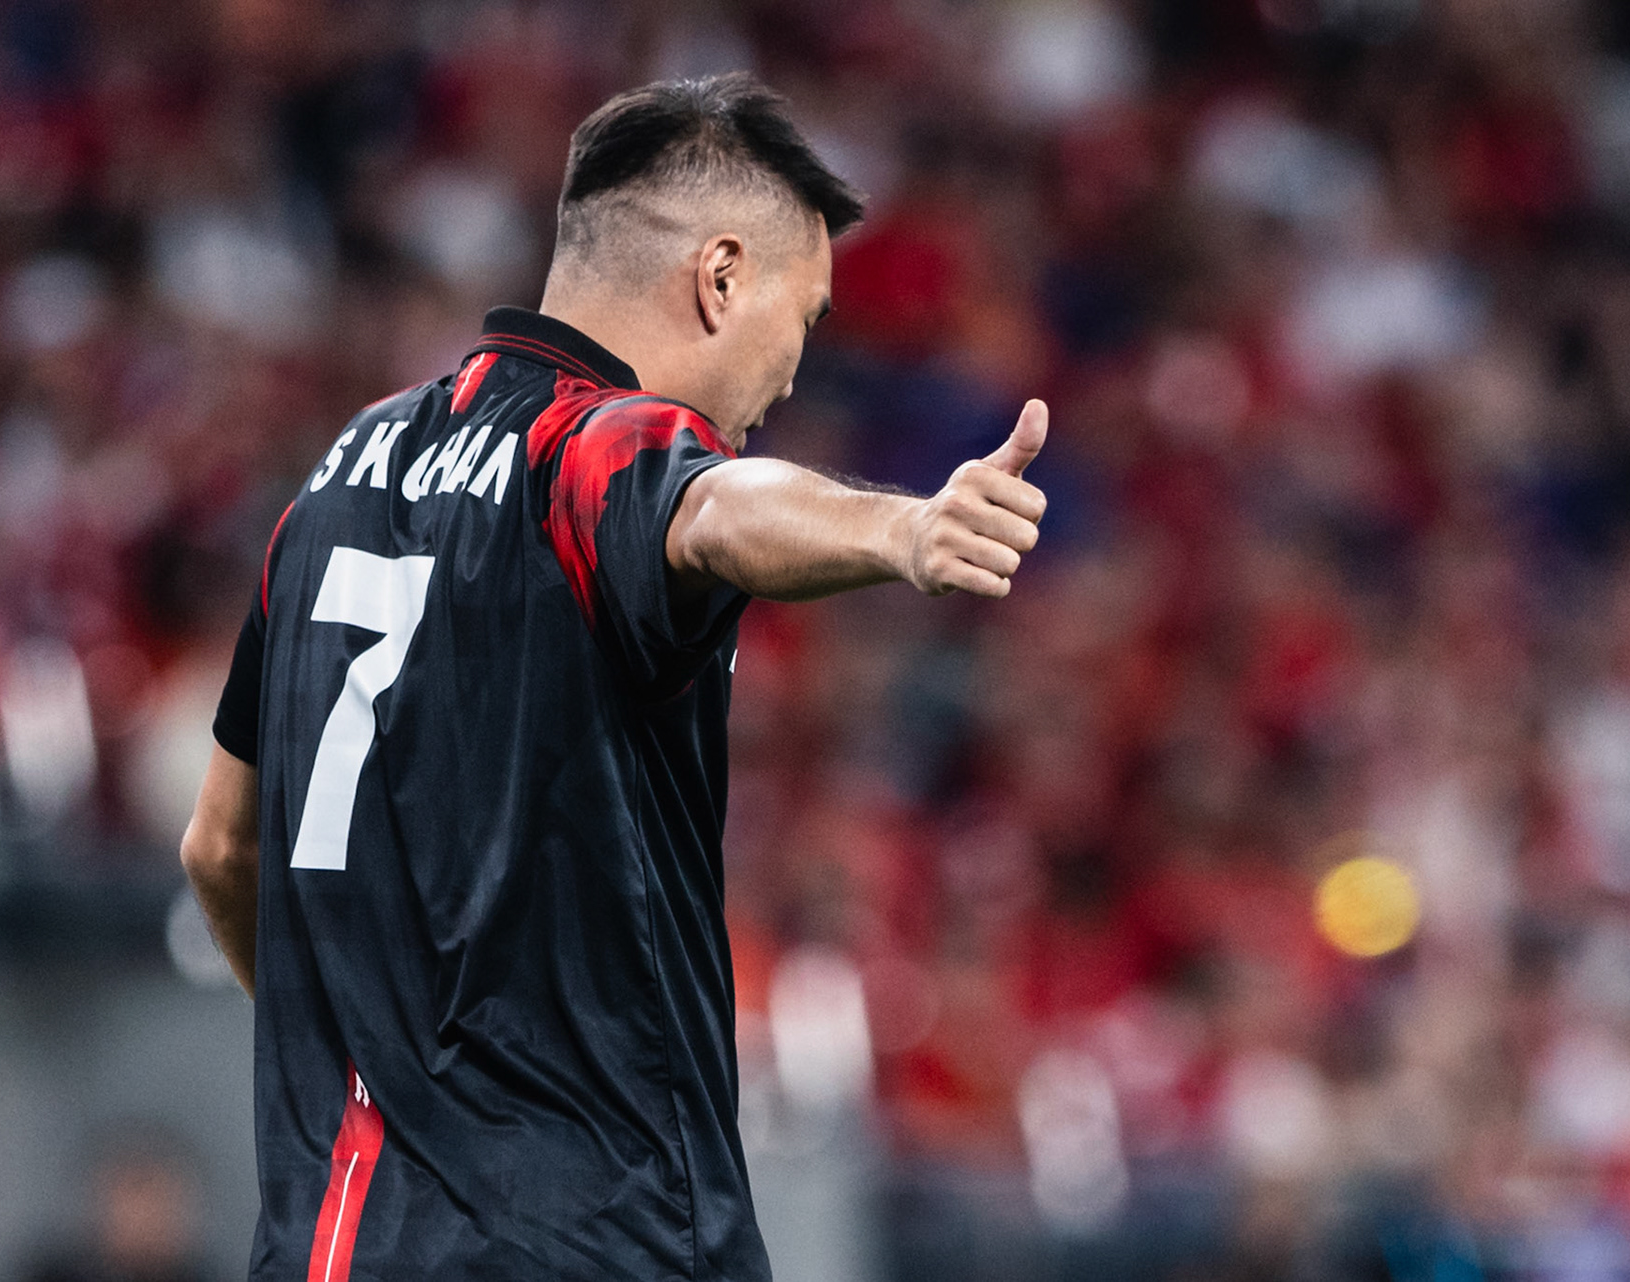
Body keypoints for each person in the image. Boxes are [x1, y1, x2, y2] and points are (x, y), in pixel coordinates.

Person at [180, 72, 1048, 1282]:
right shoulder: (587, 441)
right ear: (722, 276)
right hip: (589, 1240)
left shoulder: (329, 488)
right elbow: (706, 510)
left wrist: (358, 1048)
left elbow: (219, 849)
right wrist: (896, 534)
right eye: (805, 319)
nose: (794, 374)